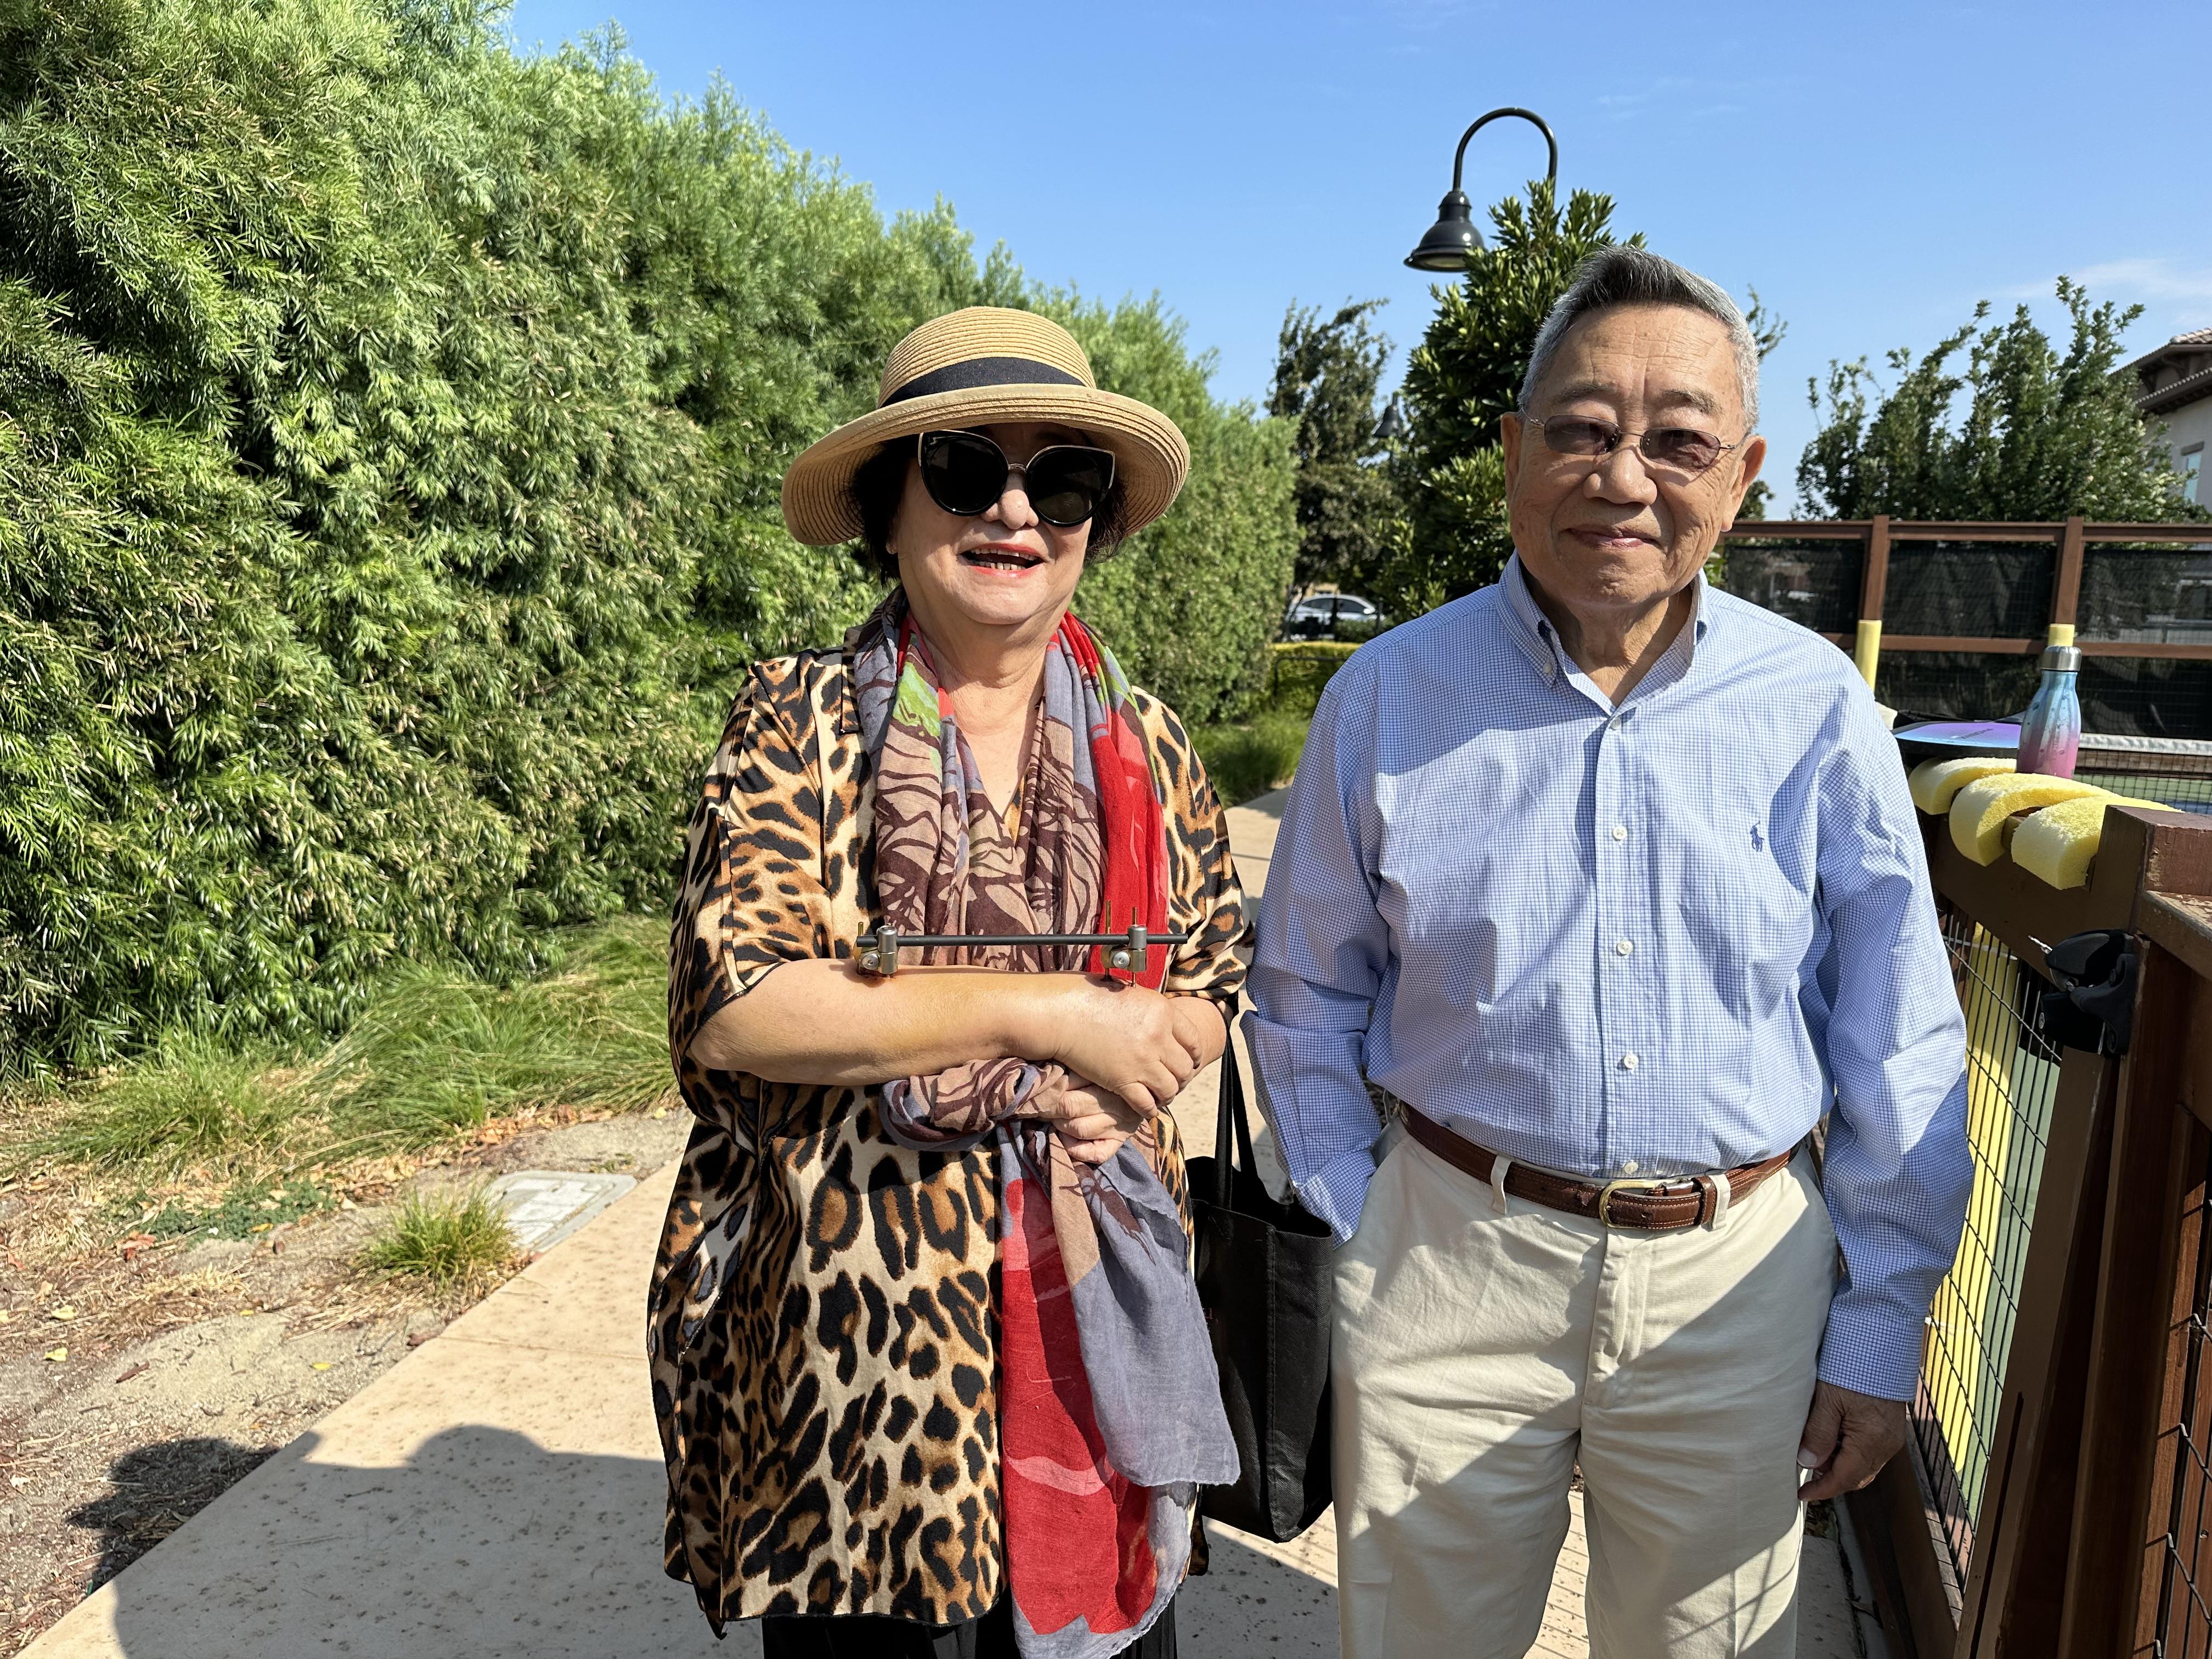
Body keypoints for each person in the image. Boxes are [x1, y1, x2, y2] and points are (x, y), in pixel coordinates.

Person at [1245, 247, 1972, 1658]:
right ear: (1514, 451)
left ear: (1742, 473)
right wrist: (1362, 1215)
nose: (1623, 474)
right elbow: (1303, 991)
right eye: (1579, 428)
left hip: (1734, 1287)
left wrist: (1880, 1327)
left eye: (1677, 439)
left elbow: (1900, 1035)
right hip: (1446, 1260)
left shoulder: (1817, 709)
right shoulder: (1385, 697)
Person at [650, 307, 1248, 1659]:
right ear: (890, 503)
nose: (1019, 511)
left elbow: (1207, 979)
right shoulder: (794, 720)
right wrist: (1046, 1013)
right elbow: (746, 1006)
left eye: (1066, 480)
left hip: (1097, 1334)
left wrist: (1132, 1068)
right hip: (856, 1388)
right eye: (969, 471)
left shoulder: (1148, 742)